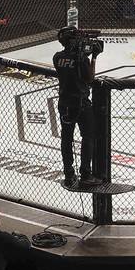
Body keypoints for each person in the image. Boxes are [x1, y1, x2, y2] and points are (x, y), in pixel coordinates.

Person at [53, 27, 98, 188]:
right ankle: (86, 173)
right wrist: (93, 58)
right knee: (88, 136)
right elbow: (90, 79)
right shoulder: (81, 59)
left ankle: (68, 174)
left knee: (66, 139)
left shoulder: (57, 57)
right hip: (80, 103)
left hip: (64, 103)